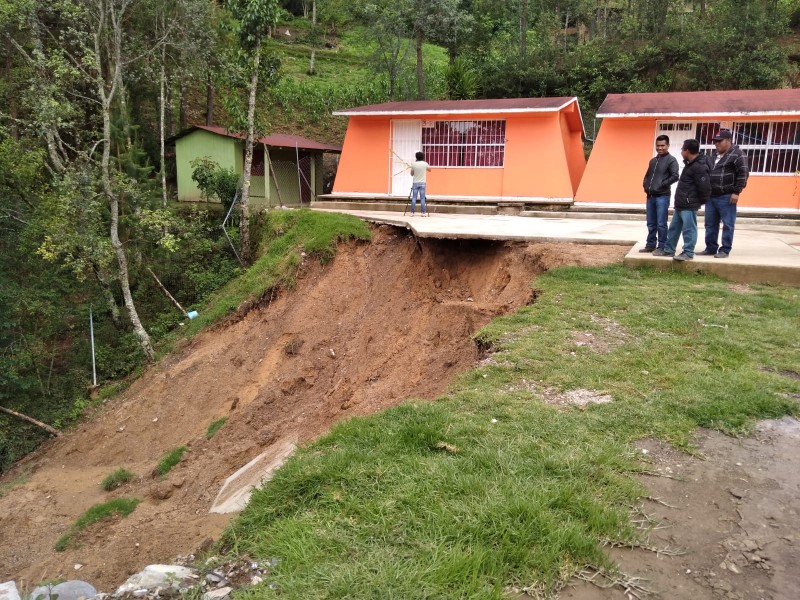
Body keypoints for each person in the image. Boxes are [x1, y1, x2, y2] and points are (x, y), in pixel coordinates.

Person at [653, 139, 710, 261]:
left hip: (689, 204)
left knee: (689, 229)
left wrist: (697, 202)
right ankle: (669, 249)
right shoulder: (690, 164)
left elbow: (704, 188)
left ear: (687, 150)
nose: (681, 151)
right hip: (681, 203)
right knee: (674, 228)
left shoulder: (699, 166)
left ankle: (688, 252)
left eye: (682, 149)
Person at [697, 129, 749, 258]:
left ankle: (725, 249)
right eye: (715, 141)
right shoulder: (713, 155)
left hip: (727, 196)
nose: (716, 144)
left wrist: (736, 192)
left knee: (728, 224)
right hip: (711, 196)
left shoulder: (738, 154)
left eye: (720, 141)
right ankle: (710, 248)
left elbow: (743, 174)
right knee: (710, 224)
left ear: (729, 141)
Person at [640, 135, 680, 252]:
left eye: (662, 145)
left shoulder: (672, 160)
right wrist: (645, 185)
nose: (660, 148)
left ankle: (662, 246)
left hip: (662, 196)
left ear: (668, 145)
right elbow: (647, 176)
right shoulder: (653, 161)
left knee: (661, 223)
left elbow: (675, 176)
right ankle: (650, 244)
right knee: (651, 223)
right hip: (650, 196)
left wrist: (661, 184)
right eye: (658, 145)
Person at [409, 151, 431, 216]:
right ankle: (423, 213)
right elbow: (430, 170)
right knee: (422, 198)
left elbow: (411, 174)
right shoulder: (425, 163)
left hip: (415, 183)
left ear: (416, 157)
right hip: (422, 183)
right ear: (423, 157)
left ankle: (412, 212)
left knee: (414, 198)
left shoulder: (413, 164)